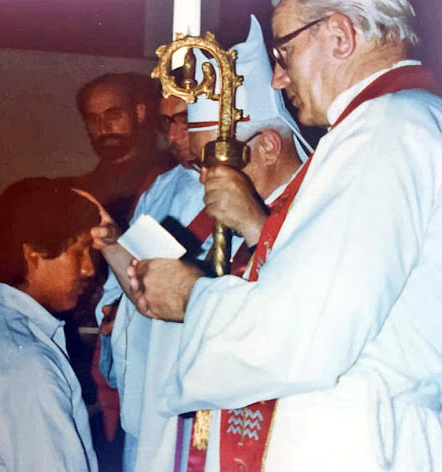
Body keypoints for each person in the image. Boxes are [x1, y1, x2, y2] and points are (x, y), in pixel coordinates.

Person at [129, 0, 442, 470]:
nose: (279, 78)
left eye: (284, 52)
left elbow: (302, 332)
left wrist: (191, 297)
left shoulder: (384, 132)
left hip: (361, 439)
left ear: (340, 35)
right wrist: (259, 229)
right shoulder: (405, 122)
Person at [94, 17, 310, 471]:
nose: (205, 177)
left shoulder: (314, 206)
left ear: (268, 145)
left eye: (217, 160)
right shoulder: (186, 190)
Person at [0, 178, 101, 471]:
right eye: (79, 252)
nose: (90, 267)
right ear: (33, 254)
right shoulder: (24, 360)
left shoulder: (6, 334)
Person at [72, 72, 174, 228]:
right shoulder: (84, 188)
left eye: (113, 115)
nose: (103, 127)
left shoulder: (167, 175)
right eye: (93, 119)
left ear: (139, 113)